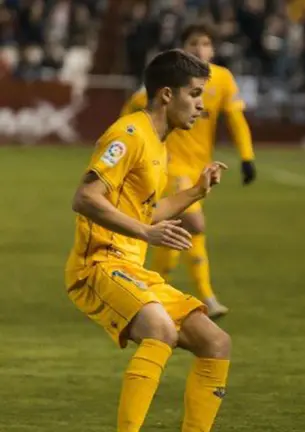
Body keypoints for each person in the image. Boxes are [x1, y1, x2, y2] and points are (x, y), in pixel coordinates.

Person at [65, 49, 231, 432]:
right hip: (98, 264)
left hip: (130, 268)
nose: (201, 106)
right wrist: (145, 233)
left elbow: (146, 213)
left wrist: (194, 192)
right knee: (161, 329)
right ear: (167, 95)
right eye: (194, 94)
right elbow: (85, 198)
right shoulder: (129, 134)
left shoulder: (159, 143)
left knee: (216, 342)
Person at [122, 23, 256, 319]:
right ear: (182, 48)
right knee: (194, 222)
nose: (200, 49)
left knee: (178, 232)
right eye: (194, 43)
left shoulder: (221, 80)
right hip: (169, 167)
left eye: (206, 43)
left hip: (200, 168)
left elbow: (235, 118)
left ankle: (149, 290)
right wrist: (127, 140)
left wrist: (247, 156)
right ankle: (206, 296)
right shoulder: (170, 80)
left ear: (214, 49)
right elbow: (134, 105)